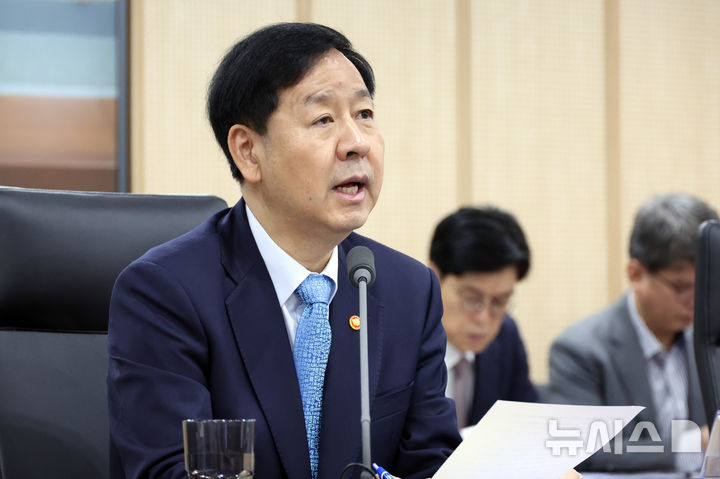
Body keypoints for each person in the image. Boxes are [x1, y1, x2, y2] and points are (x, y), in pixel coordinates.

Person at [107, 22, 582, 479]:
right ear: (248, 151)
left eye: (364, 115)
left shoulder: (407, 291)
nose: (357, 143)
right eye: (323, 119)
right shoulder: (165, 293)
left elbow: (429, 462)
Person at [547, 192, 718, 473]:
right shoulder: (580, 349)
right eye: (681, 287)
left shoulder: (712, 341)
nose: (696, 300)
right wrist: (693, 443)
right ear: (635, 274)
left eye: (706, 285)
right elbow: (583, 450)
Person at [429, 206, 539, 429]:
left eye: (500, 301)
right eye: (472, 299)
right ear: (433, 276)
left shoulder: (506, 336)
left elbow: (530, 425)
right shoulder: (398, 343)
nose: (484, 318)